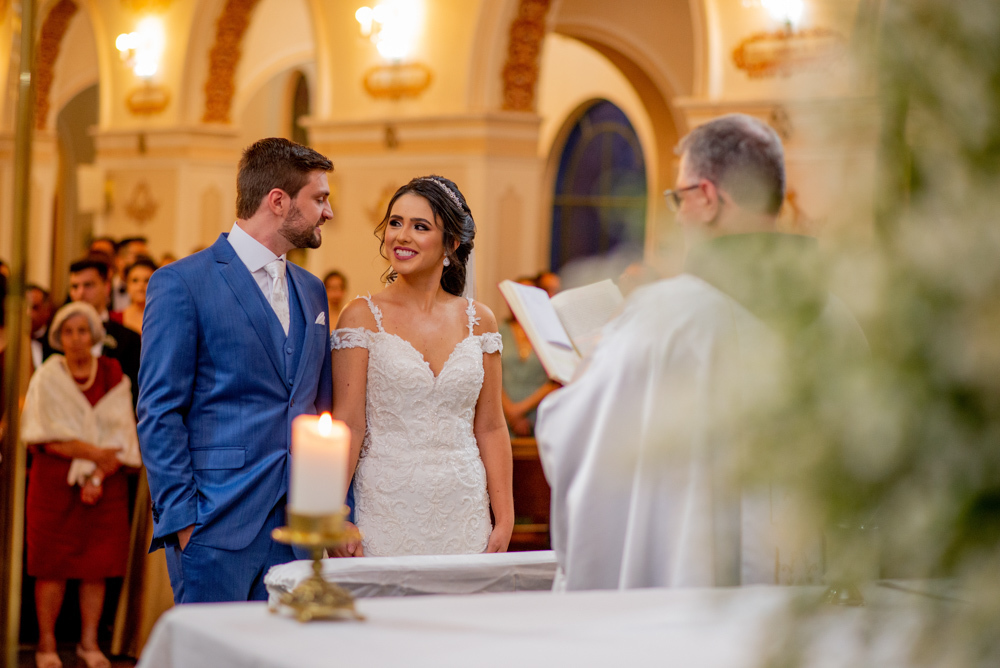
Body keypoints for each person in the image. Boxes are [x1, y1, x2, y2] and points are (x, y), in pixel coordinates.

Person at [535, 114, 868, 591]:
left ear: (708, 197)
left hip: (695, 585)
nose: (676, 214)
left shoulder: (667, 318)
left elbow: (581, 441)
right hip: (803, 595)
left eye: (679, 197)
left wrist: (578, 375)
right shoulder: (838, 319)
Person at [138, 137, 335, 603]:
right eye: (320, 198)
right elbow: (159, 412)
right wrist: (184, 521)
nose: (328, 212)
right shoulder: (182, 283)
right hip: (215, 523)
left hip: (298, 530)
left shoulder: (312, 290)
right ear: (278, 201)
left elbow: (319, 406)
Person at [331, 175, 514, 557]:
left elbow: (491, 425)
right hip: (385, 509)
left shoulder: (480, 321)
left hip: (465, 510)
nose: (401, 236)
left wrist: (505, 517)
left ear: (452, 243)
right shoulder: (361, 317)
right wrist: (334, 512)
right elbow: (349, 423)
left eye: (420, 226)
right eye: (395, 223)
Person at [20, 302, 141, 668]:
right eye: (68, 332)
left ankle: (90, 643)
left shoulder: (113, 373)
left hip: (107, 485)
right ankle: (46, 644)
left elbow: (123, 436)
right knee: (50, 567)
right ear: (59, 337)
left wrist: (96, 474)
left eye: (83, 331)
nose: (76, 339)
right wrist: (93, 455)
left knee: (96, 568)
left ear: (94, 335)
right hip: (53, 485)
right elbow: (40, 433)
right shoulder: (47, 376)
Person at [43, 258, 142, 410]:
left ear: (106, 287)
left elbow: (134, 395)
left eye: (88, 285)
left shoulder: (129, 340)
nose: (80, 293)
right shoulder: (57, 334)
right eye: (75, 286)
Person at [500, 276, 559, 437]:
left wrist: (521, 409)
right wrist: (511, 411)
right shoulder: (499, 331)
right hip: (504, 414)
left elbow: (555, 380)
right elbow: (491, 376)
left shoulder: (549, 332)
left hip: (539, 413)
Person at [112, 257, 157, 334]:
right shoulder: (115, 319)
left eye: (147, 280)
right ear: (127, 285)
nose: (141, 285)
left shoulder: (164, 317)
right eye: (135, 280)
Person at [27, 283, 54, 371]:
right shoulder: (9, 341)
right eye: (24, 307)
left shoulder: (56, 341)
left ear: (47, 310)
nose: (27, 313)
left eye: (34, 308)